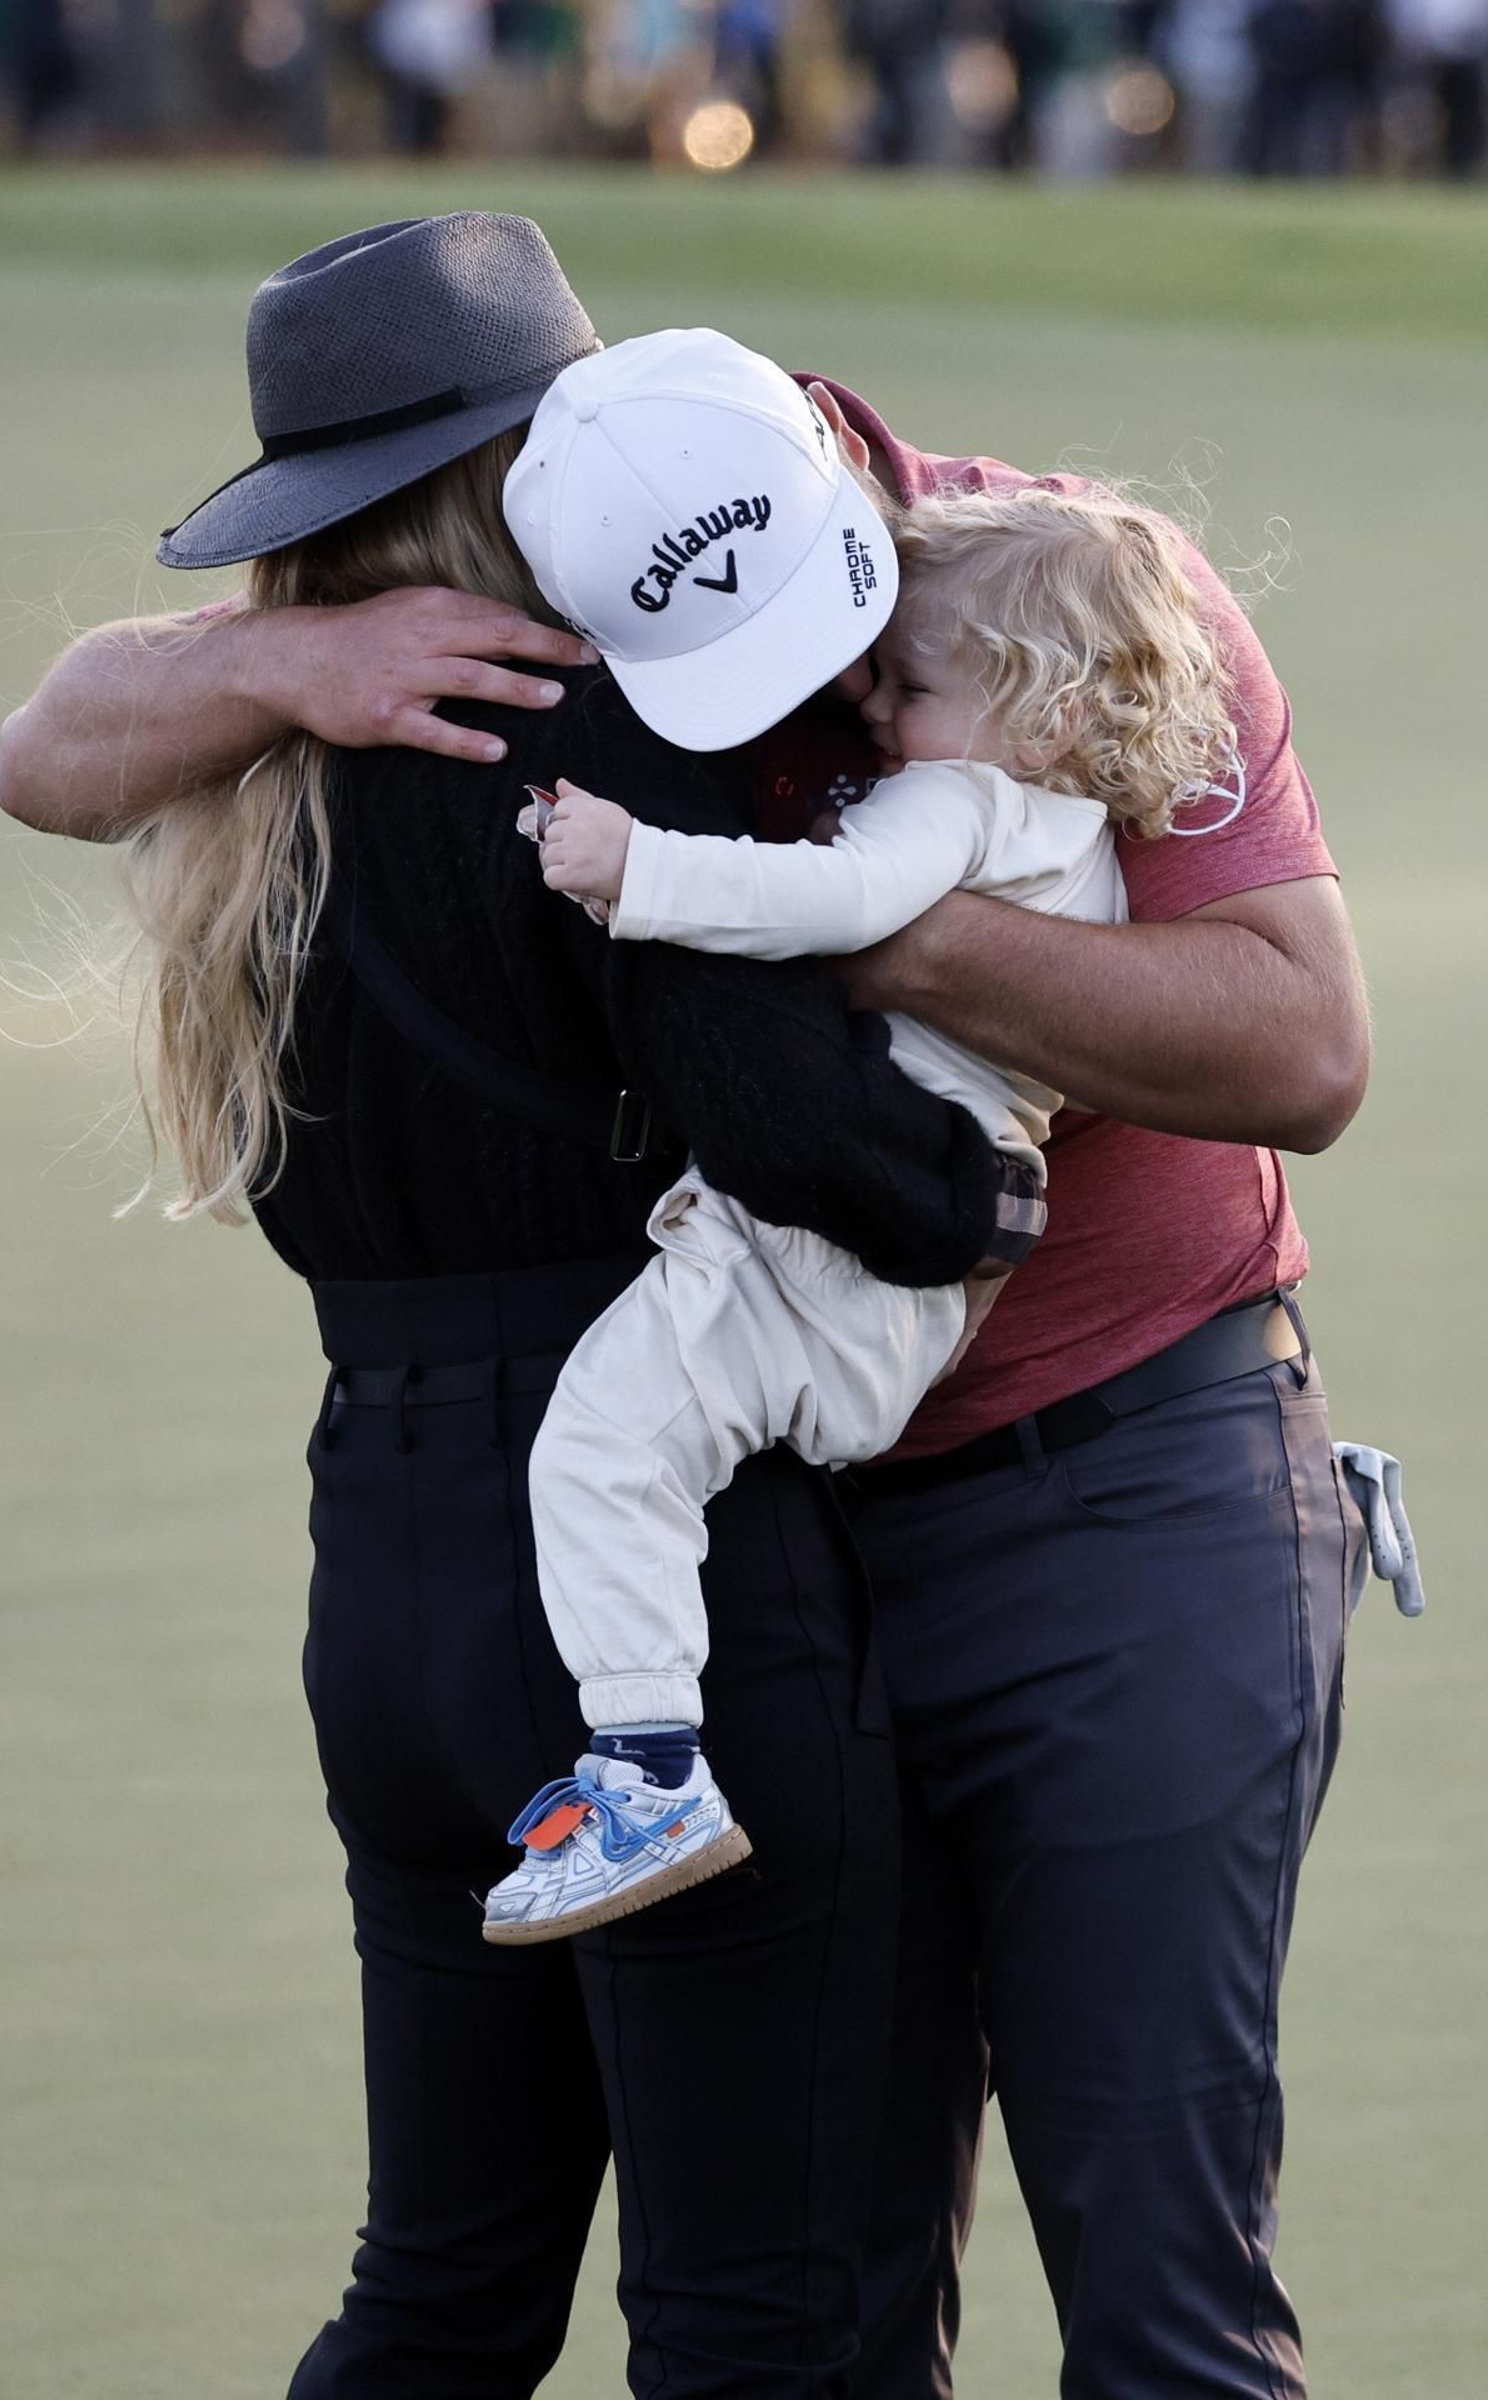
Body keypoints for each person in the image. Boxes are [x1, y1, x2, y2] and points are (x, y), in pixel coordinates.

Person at [0, 212, 1371, 2400]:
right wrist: (277, 668)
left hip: (1111, 1487)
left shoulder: (1060, 597)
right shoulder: (522, 686)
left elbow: (1297, 1056)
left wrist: (847, 925)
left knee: (1150, 2313)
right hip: (764, 1545)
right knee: (803, 2318)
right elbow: (50, 744)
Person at [477, 329, 1235, 1945]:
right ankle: (645, 1755)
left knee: (605, 1444)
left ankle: (647, 1770)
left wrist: (637, 866)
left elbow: (833, 902)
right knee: (633, 1443)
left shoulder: (961, 803)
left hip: (863, 1250)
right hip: (903, 1260)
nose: (873, 710)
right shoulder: (1067, 806)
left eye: (911, 681)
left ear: (1023, 702)